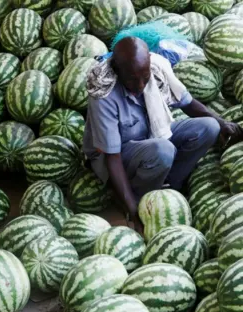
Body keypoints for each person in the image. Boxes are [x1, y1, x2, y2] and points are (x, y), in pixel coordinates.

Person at [82, 36, 243, 233]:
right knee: (163, 150)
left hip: (151, 137)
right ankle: (140, 197)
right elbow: (112, 157)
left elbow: (188, 104)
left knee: (208, 127)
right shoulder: (104, 94)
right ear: (117, 69)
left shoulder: (156, 69)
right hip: (119, 156)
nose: (141, 85)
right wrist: (133, 210)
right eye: (133, 79)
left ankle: (170, 185)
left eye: (144, 76)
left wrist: (221, 121)